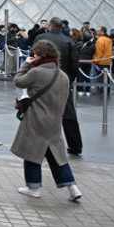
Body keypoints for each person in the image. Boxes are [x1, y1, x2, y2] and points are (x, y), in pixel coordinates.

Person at [11, 40, 83, 201]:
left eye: (35, 54)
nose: (33, 56)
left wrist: (25, 64)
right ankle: (72, 186)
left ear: (41, 55)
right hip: (55, 120)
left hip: (36, 119)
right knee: (56, 155)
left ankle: (33, 186)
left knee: (32, 152)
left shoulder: (37, 72)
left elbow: (18, 81)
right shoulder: (62, 75)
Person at [34, 18, 82, 155]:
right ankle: (75, 145)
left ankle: (39, 145)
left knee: (40, 112)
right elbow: (74, 65)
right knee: (68, 113)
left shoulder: (41, 37)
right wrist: (69, 80)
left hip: (41, 80)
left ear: (50, 26)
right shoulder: (69, 41)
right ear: (61, 27)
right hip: (62, 80)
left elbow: (34, 58)